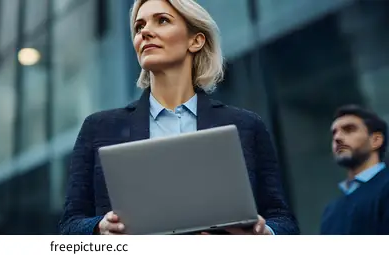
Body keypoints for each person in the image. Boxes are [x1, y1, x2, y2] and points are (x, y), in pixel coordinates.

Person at [58, 0, 299, 235]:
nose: (146, 32)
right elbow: (69, 226)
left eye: (162, 21)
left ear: (195, 40)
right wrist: (100, 227)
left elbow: (284, 221)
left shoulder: (246, 126)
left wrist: (264, 233)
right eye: (139, 27)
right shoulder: (99, 129)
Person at [320, 105, 389, 235]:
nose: (337, 138)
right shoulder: (331, 211)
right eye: (334, 132)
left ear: (376, 140)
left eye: (349, 129)